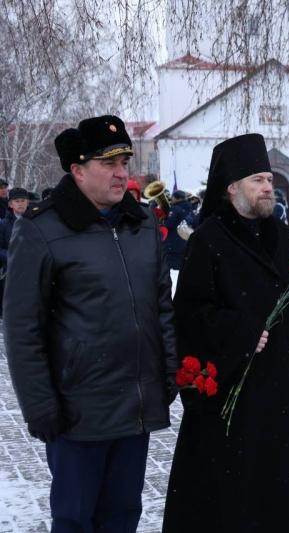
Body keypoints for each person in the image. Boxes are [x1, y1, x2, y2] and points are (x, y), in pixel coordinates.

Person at [3, 115, 177, 532]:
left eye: (124, 163)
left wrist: (167, 373)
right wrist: (39, 405)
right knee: (76, 519)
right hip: (77, 410)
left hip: (135, 405)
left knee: (122, 516)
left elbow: (161, 307)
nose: (121, 174)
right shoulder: (42, 230)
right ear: (77, 171)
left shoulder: (143, 225)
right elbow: (22, 327)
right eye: (108, 164)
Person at [162, 133, 289, 533]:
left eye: (269, 179)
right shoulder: (209, 240)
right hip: (230, 401)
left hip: (282, 397)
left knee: (286, 501)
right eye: (258, 179)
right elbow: (189, 316)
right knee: (233, 503)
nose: (268, 186)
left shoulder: (280, 235)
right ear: (231, 188)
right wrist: (240, 333)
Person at [0, 187, 30, 315]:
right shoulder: (3, 225)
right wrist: (12, 256)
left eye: (23, 200)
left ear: (28, 202)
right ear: (10, 204)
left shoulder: (36, 222)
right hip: (10, 272)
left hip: (32, 270)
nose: (20, 203)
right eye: (17, 201)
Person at [162, 189, 197, 269]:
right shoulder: (190, 208)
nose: (171, 199)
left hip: (172, 241)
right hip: (184, 240)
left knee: (169, 264)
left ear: (177, 198)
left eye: (173, 197)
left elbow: (168, 224)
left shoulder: (175, 209)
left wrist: (163, 220)